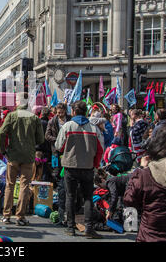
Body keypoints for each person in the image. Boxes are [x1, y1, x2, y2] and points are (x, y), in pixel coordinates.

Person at [55, 101, 104, 238]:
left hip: (70, 166)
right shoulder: (94, 128)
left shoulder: (67, 126)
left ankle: (70, 228)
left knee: (70, 196)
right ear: (86, 112)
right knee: (88, 197)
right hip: (88, 166)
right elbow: (100, 149)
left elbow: (59, 146)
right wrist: (95, 164)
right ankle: (89, 228)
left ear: (74, 112)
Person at [0, 93, 44, 226]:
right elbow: (40, 139)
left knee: (9, 185)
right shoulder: (34, 117)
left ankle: (6, 215)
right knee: (25, 186)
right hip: (28, 155)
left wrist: (3, 150)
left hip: (13, 154)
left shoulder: (11, 116)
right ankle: (20, 216)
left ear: (18, 102)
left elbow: (1, 133)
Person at [45, 103, 70, 225]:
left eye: (61, 113)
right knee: (56, 172)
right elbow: (47, 135)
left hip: (68, 150)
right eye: (58, 113)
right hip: (56, 150)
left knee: (67, 171)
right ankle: (60, 189)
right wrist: (57, 139)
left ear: (65, 111)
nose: (59, 115)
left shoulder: (70, 120)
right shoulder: (52, 121)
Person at [34, 107, 52, 181]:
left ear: (41, 113)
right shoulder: (49, 124)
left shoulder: (36, 123)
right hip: (46, 150)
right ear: (48, 115)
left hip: (37, 150)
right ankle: (44, 185)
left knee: (36, 167)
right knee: (44, 167)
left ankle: (34, 183)